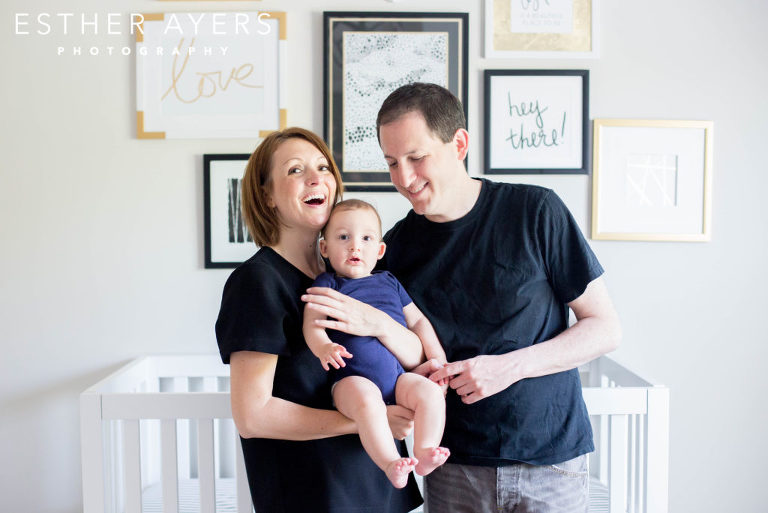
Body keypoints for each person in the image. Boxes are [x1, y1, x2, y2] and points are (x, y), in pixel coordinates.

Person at [303, 83, 621, 513]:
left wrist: (508, 367)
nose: (403, 179)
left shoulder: (535, 211)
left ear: (459, 144)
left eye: (416, 158)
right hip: (451, 465)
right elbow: (401, 354)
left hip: (549, 461)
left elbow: (604, 328)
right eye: (392, 163)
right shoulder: (392, 248)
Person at [214, 127, 423, 513]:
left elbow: (412, 353)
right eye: (295, 170)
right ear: (267, 195)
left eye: (323, 167)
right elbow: (253, 416)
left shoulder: (353, 273)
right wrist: (367, 420)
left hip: (377, 486)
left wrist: (380, 326)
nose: (316, 178)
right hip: (313, 493)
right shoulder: (257, 283)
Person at [303, 199, 450, 489]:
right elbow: (312, 322)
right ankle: (390, 462)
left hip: (398, 381)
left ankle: (424, 451)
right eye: (343, 237)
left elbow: (419, 322)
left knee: (431, 394)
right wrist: (323, 346)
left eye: (366, 238)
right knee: (367, 400)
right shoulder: (328, 283)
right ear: (324, 248)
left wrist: (438, 360)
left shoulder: (390, 282)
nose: (355, 247)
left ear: (380, 250)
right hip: (350, 380)